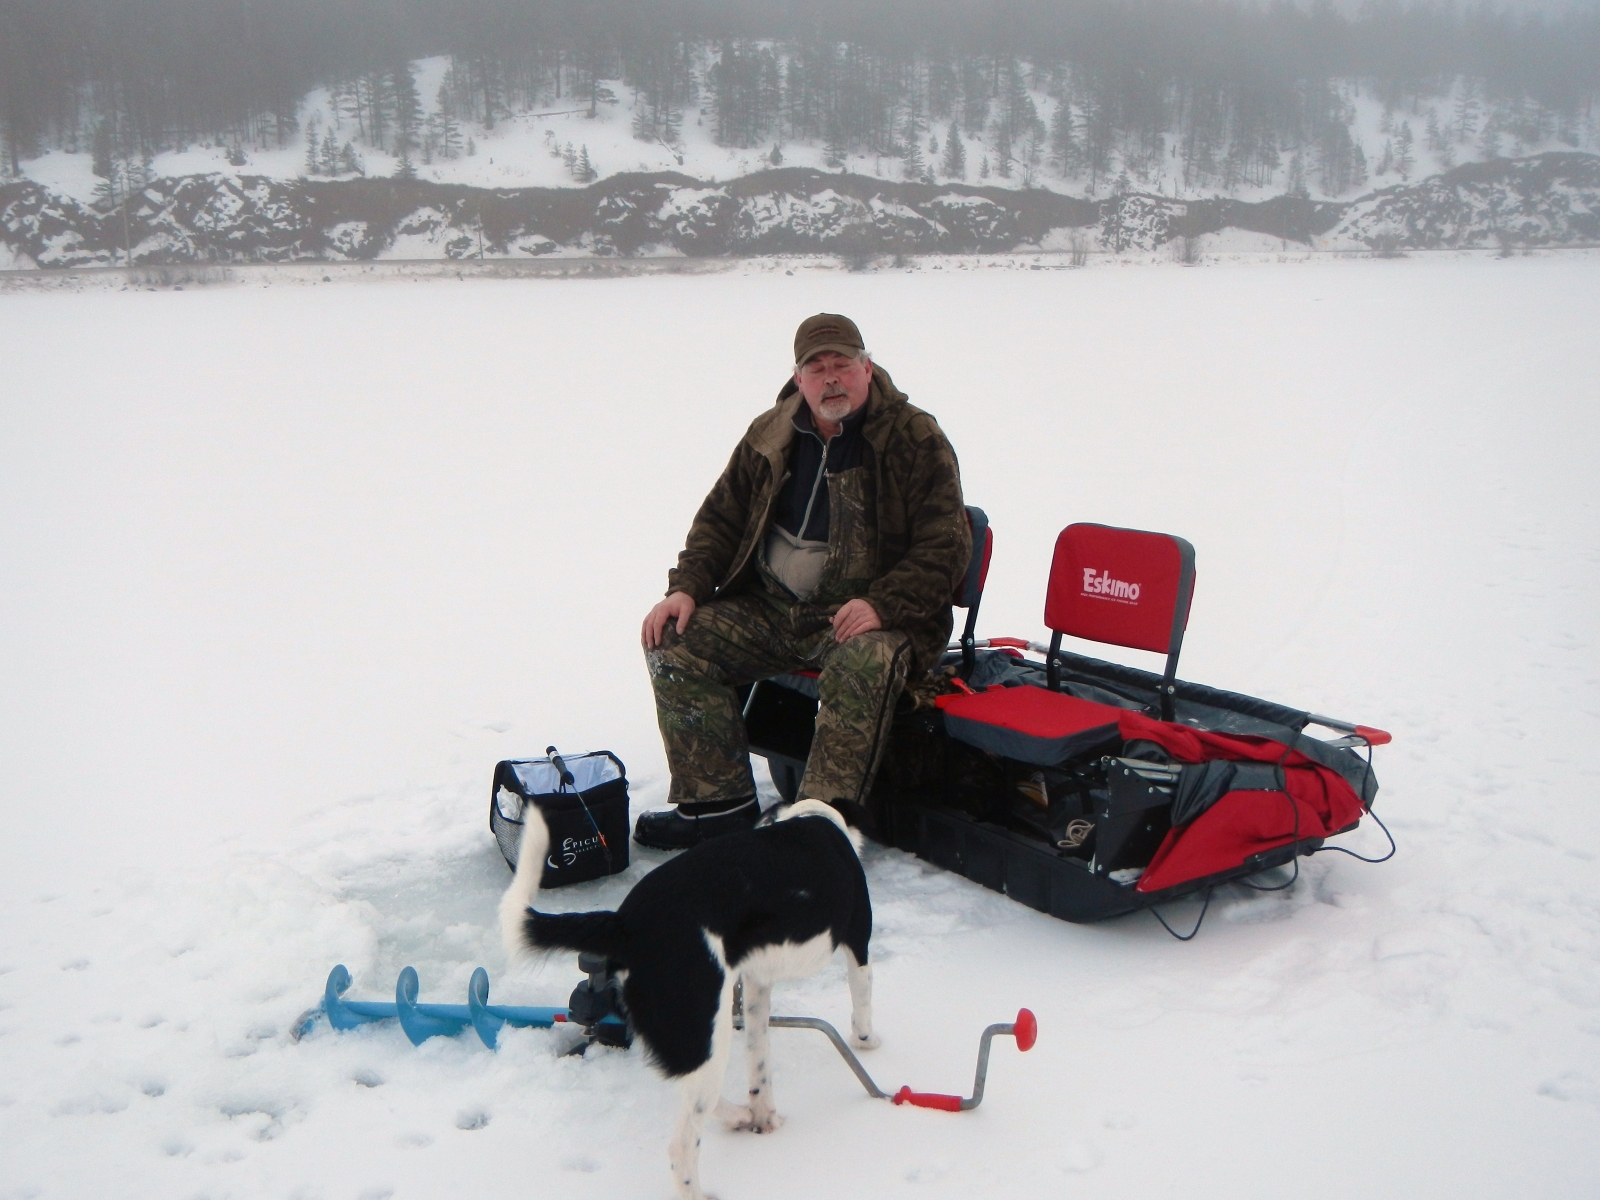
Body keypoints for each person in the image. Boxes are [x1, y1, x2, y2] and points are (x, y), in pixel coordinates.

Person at [636, 313, 970, 849]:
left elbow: (946, 546)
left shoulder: (914, 438)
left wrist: (882, 604)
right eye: (817, 368)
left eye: (842, 364)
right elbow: (720, 520)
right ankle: (718, 805)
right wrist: (687, 586)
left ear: (867, 368)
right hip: (774, 608)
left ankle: (815, 832)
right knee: (673, 640)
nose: (831, 378)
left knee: (864, 662)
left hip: (865, 617)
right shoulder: (771, 432)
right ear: (799, 378)